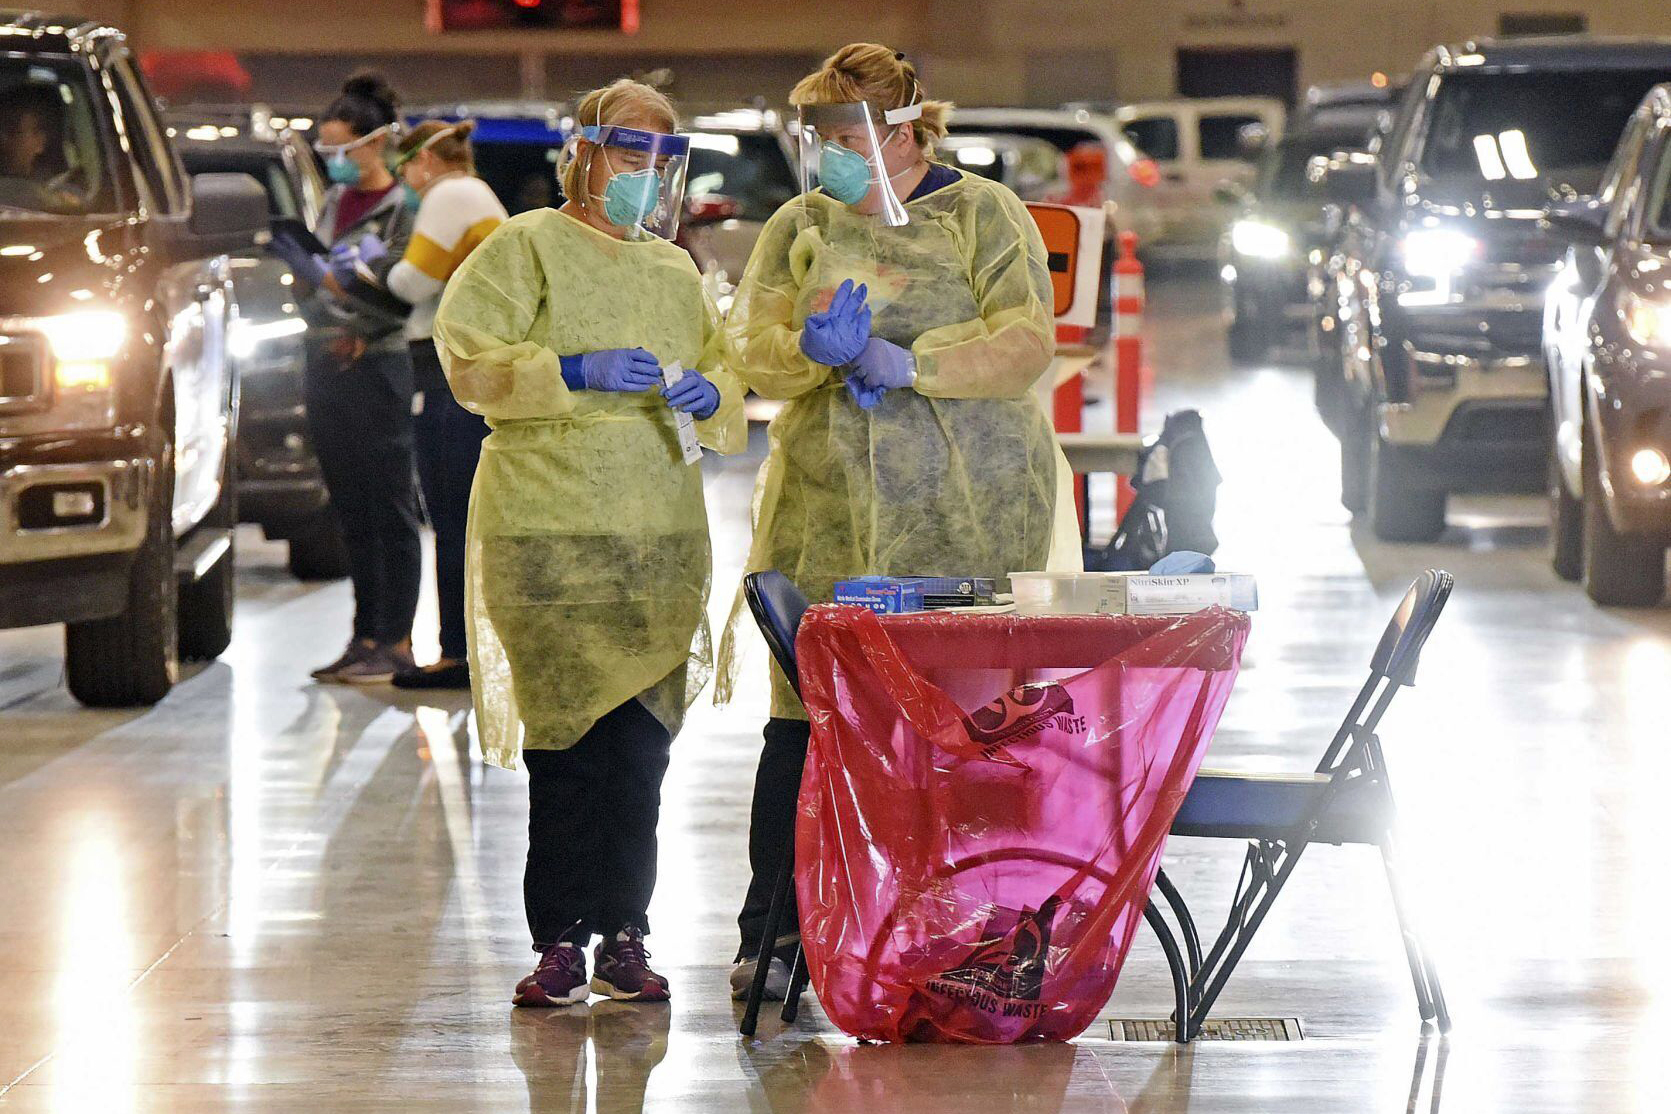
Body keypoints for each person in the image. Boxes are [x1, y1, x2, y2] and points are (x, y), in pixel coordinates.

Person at [718, 44, 1081, 999]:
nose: (830, 154)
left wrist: (911, 363)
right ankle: (776, 936)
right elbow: (749, 343)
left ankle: (967, 928)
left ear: (905, 129)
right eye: (820, 136)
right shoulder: (800, 223)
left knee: (961, 727)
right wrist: (809, 347)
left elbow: (1023, 340)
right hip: (824, 508)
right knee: (805, 718)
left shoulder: (984, 213)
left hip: (971, 503)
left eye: (846, 135)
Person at [432, 79, 745, 1007]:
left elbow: (722, 369)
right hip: (547, 531)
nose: (645, 174)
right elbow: (469, 359)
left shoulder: (672, 268)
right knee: (567, 751)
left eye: (660, 157)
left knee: (641, 754)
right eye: (628, 152)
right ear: (583, 154)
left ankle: (628, 936)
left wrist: (713, 394)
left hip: (655, 535)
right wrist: (566, 369)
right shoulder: (523, 247)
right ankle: (561, 939)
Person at [271, 72, 423, 684]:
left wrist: (350, 306)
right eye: (325, 151)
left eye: (341, 150)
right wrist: (313, 287)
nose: (334, 162)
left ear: (377, 142)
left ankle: (397, 637)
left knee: (389, 504)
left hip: (377, 364)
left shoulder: (404, 210)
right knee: (351, 506)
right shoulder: (334, 204)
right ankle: (364, 635)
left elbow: (401, 292)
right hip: (326, 361)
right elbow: (318, 282)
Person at [379, 120, 509, 690]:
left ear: (424, 161)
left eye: (405, 167)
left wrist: (369, 270)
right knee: (461, 519)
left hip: (450, 373)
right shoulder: (475, 193)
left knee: (453, 516)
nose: (404, 179)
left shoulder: (450, 193)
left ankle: (458, 654)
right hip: (466, 370)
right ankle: (464, 650)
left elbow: (411, 281)